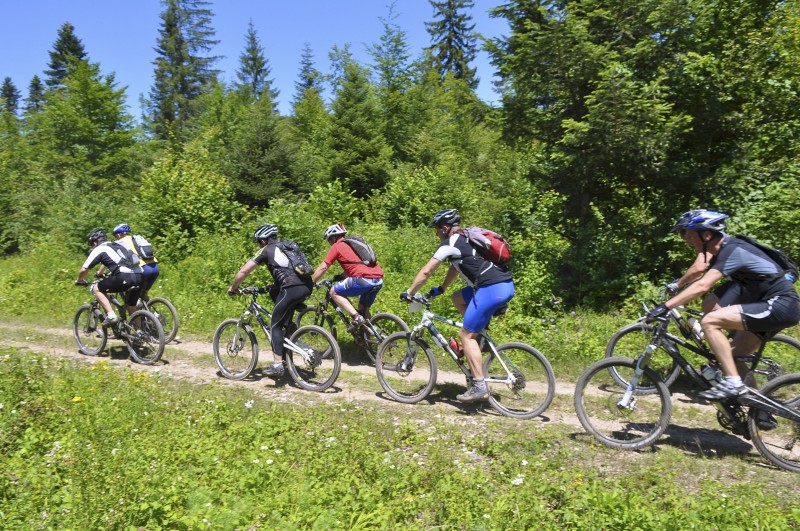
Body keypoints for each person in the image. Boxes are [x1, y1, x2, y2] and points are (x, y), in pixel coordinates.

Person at [646, 209, 800, 400]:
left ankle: (733, 383)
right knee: (732, 358)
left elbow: (703, 285)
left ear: (707, 235)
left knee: (710, 321)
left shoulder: (732, 250)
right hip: (773, 306)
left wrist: (666, 306)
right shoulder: (722, 250)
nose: (686, 240)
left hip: (779, 305)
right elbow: (700, 273)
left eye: (689, 235)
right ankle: (759, 413)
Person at [403, 209, 515, 403]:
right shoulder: (464, 239)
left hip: (491, 289)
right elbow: (455, 267)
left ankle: (479, 385)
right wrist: (442, 288)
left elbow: (426, 271)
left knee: (465, 335)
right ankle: (479, 338)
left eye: (437, 231)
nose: (436, 235)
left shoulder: (450, 243)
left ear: (445, 229)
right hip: (503, 285)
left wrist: (410, 292)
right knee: (457, 298)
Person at [228, 224, 312, 378]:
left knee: (275, 324)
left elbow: (244, 271)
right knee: (281, 311)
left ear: (263, 240)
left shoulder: (266, 250)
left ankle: (277, 365)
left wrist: (233, 288)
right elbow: (289, 271)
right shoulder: (286, 247)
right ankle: (288, 351)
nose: (259, 245)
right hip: (306, 287)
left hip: (291, 289)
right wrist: (272, 286)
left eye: (258, 242)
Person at [310, 223, 384, 331]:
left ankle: (356, 317)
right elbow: (355, 265)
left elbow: (323, 266)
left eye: (329, 240)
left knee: (333, 292)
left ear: (334, 237)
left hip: (363, 280)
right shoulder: (352, 245)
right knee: (363, 309)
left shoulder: (338, 245)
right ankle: (370, 337)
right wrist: (341, 276)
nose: (329, 243)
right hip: (377, 280)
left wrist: (312, 281)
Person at [75, 228, 143, 326]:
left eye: (91, 245)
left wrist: (79, 280)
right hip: (139, 275)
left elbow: (84, 269)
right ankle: (139, 333)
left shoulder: (99, 249)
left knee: (96, 288)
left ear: (95, 243)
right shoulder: (117, 244)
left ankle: (111, 315)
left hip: (124, 276)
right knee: (131, 306)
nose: (92, 247)